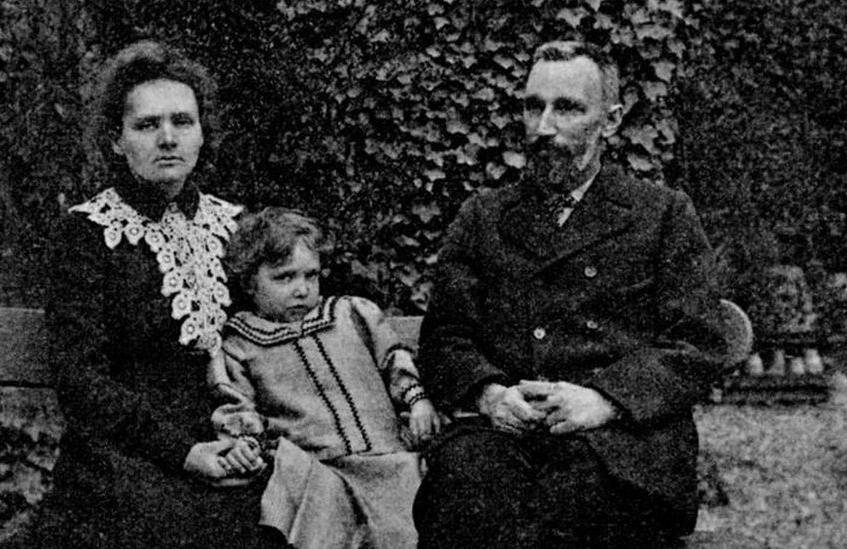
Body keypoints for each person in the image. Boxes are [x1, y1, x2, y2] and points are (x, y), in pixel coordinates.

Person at [412, 40, 729, 549]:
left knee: (581, 506)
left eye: (567, 108)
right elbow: (445, 339)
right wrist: (490, 395)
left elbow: (698, 342)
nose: (543, 127)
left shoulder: (661, 215)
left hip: (621, 445)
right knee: (465, 488)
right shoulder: (483, 217)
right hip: (504, 438)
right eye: (532, 106)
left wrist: (606, 398)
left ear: (611, 120)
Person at [0, 41, 284, 548]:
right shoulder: (88, 235)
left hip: (234, 444)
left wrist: (250, 439)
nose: (167, 138)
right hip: (126, 457)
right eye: (146, 125)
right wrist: (185, 452)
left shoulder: (236, 227)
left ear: (202, 135)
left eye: (183, 122)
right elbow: (83, 381)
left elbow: (275, 348)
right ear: (116, 140)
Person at [210, 207, 441, 549]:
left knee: (409, 524)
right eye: (284, 277)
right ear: (249, 281)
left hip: (389, 459)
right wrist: (246, 443)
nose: (302, 289)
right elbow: (237, 406)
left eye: (311, 275)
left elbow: (394, 358)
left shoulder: (351, 314)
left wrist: (418, 401)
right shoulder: (241, 344)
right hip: (319, 471)